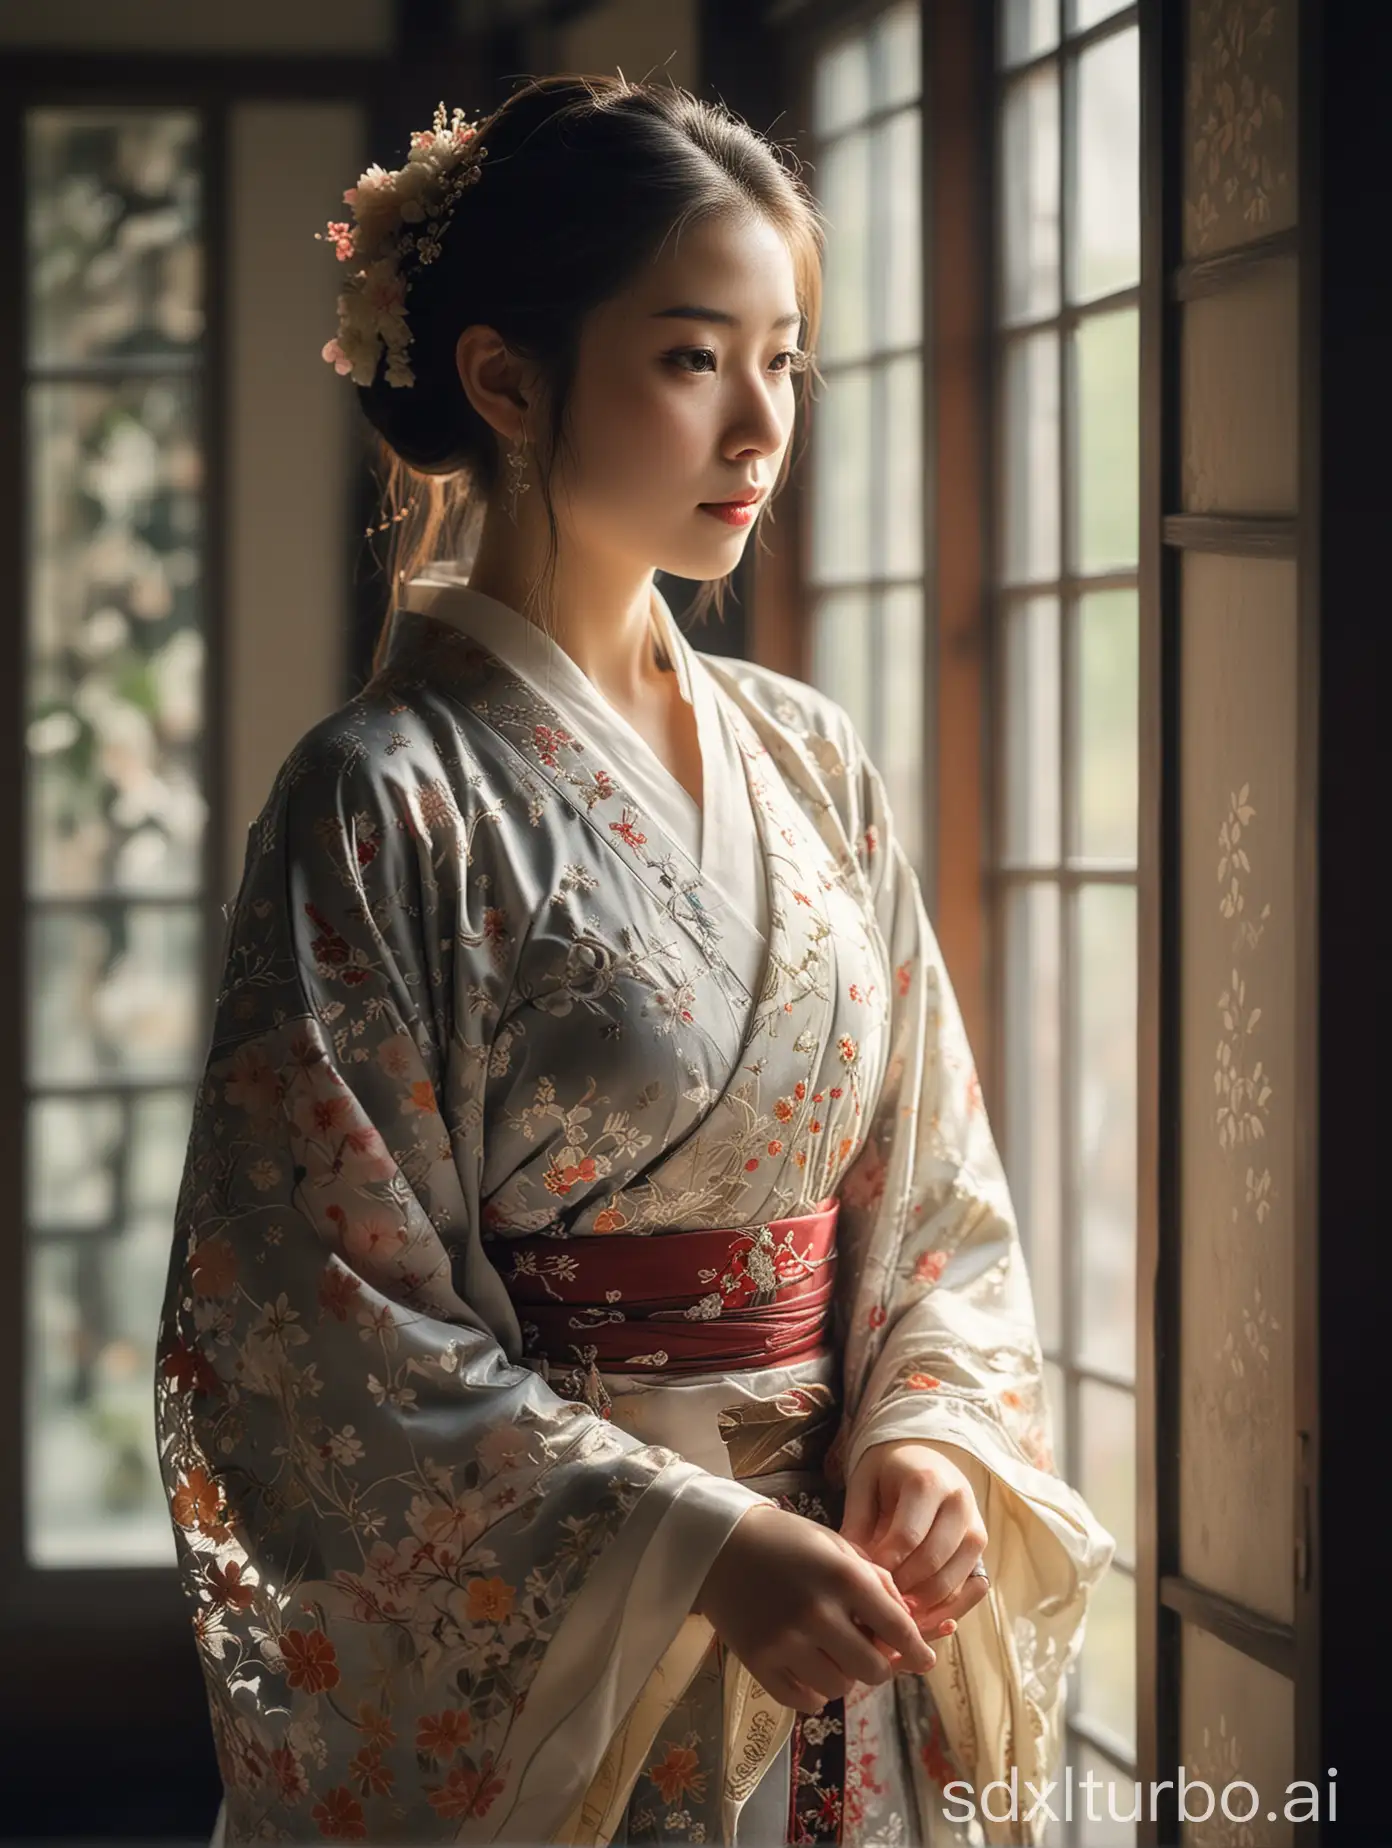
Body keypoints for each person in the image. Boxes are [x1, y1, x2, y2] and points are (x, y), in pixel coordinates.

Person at [155, 74, 1116, 1848]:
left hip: (852, 1611)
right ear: (506, 379)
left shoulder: (810, 757)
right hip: (607, 1657)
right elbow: (311, 1332)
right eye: (692, 358)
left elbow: (936, 1190)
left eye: (787, 361)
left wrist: (929, 1431)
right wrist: (696, 1541)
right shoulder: (379, 803)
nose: (760, 427)